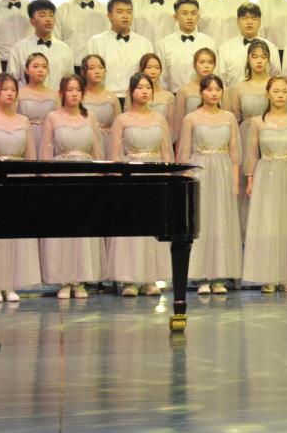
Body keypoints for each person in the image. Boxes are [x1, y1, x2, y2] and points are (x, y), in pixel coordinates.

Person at [0, 73, 41, 303]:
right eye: (5, 89)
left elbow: (30, 155)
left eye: (13, 89)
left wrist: (29, 181)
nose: (10, 93)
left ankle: (11, 283)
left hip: (17, 177)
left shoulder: (23, 121)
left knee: (15, 230)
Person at [242, 76, 287, 293]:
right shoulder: (258, 122)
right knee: (267, 221)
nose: (280, 95)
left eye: (284, 91)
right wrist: (250, 178)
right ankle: (268, 276)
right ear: (268, 94)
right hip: (266, 173)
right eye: (276, 91)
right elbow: (252, 153)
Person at [107, 72, 175, 296]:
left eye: (148, 87)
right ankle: (130, 280)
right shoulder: (122, 120)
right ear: (130, 92)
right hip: (132, 175)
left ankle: (150, 278)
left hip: (154, 175)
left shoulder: (159, 119)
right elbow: (115, 154)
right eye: (140, 87)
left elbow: (166, 151)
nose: (145, 91)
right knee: (133, 224)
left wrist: (168, 177)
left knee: (153, 224)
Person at [39, 74, 105, 299]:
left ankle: (81, 280)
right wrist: (47, 177)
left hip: (86, 174)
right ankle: (63, 280)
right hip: (62, 174)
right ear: (61, 93)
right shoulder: (52, 117)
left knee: (83, 225)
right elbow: (46, 150)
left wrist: (99, 175)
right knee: (63, 225)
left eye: (78, 89)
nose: (74, 93)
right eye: (70, 89)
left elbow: (97, 150)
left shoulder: (90, 117)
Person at [176, 74, 242, 295]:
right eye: (209, 89)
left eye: (218, 89)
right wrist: (186, 178)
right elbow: (184, 151)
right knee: (202, 218)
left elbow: (234, 153)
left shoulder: (229, 117)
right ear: (201, 92)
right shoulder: (191, 118)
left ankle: (219, 275)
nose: (214, 93)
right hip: (200, 169)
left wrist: (235, 181)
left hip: (223, 170)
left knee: (221, 219)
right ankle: (201, 276)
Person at [227, 40, 272, 235]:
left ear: (269, 59)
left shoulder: (274, 84)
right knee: (247, 179)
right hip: (245, 135)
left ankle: (268, 227)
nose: (259, 61)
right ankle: (245, 230)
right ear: (248, 59)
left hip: (270, 134)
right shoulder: (239, 87)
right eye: (255, 57)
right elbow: (234, 116)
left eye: (263, 56)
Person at [85, 0, 155, 100]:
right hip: (105, 99)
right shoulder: (95, 42)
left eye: (129, 12)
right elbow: (89, 75)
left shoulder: (145, 44)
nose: (125, 16)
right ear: (109, 16)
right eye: (120, 12)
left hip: (136, 100)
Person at [7, 0, 73, 90]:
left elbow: (69, 81)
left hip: (57, 97)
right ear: (32, 21)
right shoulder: (19, 49)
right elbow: (11, 81)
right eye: (42, 15)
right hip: (26, 98)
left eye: (51, 15)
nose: (48, 19)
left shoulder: (65, 49)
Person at [54, 0, 109, 69]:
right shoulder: (62, 10)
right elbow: (56, 42)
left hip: (99, 68)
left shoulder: (106, 11)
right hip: (70, 67)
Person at [157, 0, 217, 93]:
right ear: (175, 17)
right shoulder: (164, 44)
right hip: (174, 95)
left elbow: (215, 73)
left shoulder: (209, 42)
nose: (189, 17)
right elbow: (162, 77)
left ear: (198, 16)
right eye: (184, 13)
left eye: (193, 13)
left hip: (205, 96)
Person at [217, 3, 281, 87]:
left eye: (254, 18)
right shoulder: (225, 49)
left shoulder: (271, 48)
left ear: (260, 22)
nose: (249, 22)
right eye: (245, 18)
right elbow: (221, 80)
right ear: (238, 22)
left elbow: (276, 78)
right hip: (233, 94)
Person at [16, 52, 59, 155]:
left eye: (44, 67)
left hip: (49, 138)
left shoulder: (55, 95)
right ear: (27, 70)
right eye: (35, 66)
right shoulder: (18, 93)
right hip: (23, 136)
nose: (40, 70)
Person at [174, 48, 220, 140]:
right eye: (201, 62)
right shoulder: (184, 91)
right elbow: (179, 123)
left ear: (215, 65)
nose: (206, 66)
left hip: (216, 136)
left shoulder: (222, 90)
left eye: (210, 62)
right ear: (194, 65)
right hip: (191, 137)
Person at [80, 53, 120, 157]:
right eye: (92, 68)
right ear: (83, 72)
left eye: (101, 67)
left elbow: (118, 128)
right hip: (85, 142)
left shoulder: (112, 98)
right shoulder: (79, 96)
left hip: (108, 143)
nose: (97, 71)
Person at [135, 53, 177, 138]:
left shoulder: (168, 96)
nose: (153, 72)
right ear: (141, 69)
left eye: (157, 68)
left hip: (162, 140)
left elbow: (171, 127)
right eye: (149, 67)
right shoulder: (133, 94)